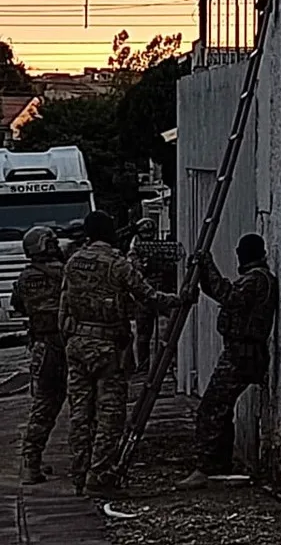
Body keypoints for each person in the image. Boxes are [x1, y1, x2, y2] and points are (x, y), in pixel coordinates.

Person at [59, 210, 186, 495]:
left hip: (77, 344)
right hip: (106, 347)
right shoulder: (117, 264)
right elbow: (148, 296)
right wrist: (179, 300)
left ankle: (79, 473)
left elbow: (63, 308)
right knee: (110, 413)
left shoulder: (72, 263)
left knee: (80, 413)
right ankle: (100, 475)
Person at [177, 234, 278, 490]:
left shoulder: (257, 279)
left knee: (211, 409)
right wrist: (204, 273)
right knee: (219, 409)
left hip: (242, 355)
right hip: (239, 352)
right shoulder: (258, 279)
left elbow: (229, 296)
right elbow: (222, 292)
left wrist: (207, 265)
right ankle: (218, 465)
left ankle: (208, 467)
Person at [10, 226, 69, 485]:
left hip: (41, 346)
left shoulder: (25, 278)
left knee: (43, 404)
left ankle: (31, 462)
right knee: (83, 403)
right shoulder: (64, 273)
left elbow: (18, 306)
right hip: (67, 342)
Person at [127, 217, 162, 372]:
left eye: (150, 232)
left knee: (164, 333)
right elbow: (136, 270)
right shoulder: (134, 252)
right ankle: (143, 366)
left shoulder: (160, 247)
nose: (149, 235)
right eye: (145, 232)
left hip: (160, 293)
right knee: (143, 336)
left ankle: (163, 366)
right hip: (142, 297)